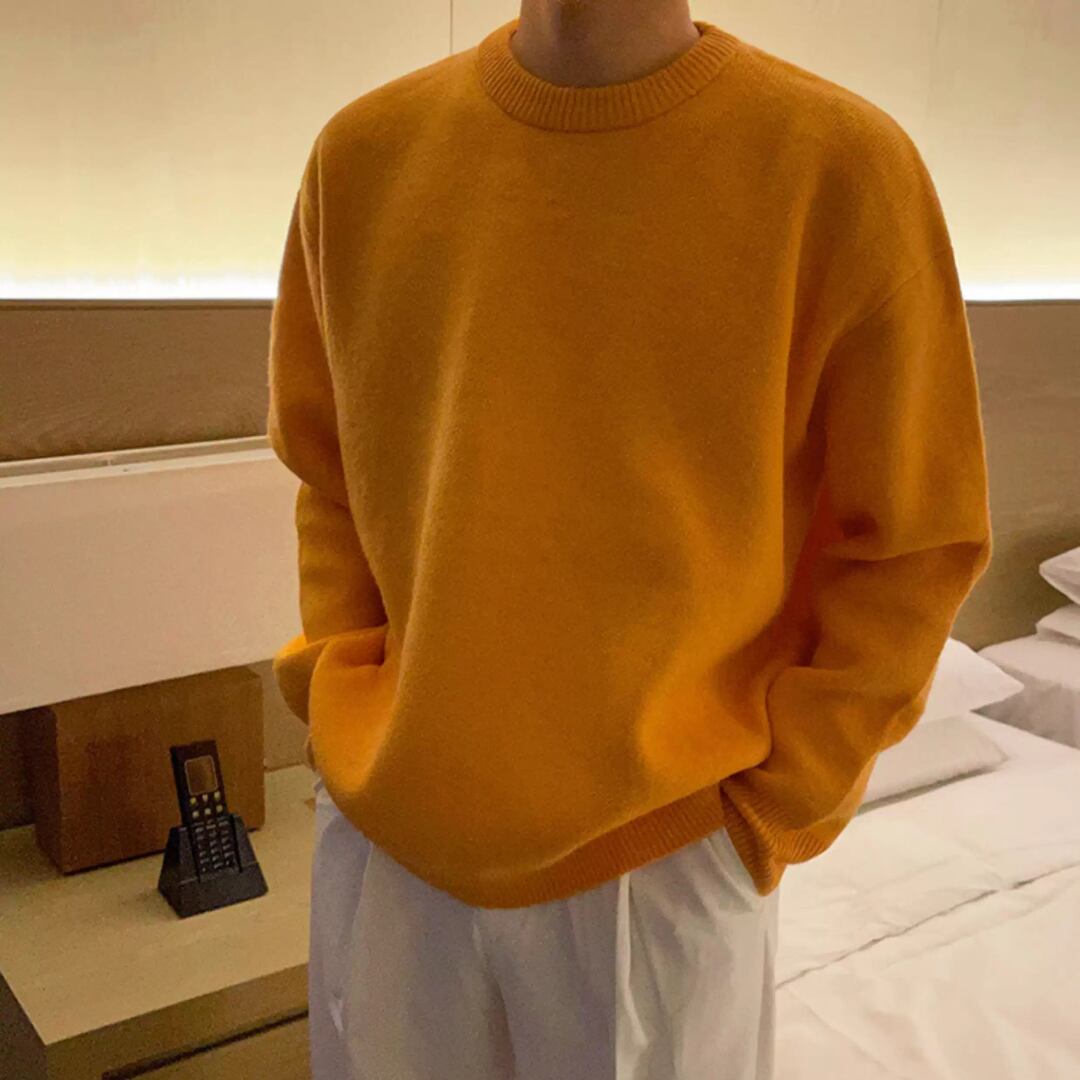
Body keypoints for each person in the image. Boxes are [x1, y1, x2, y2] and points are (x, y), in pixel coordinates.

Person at [266, 2, 993, 1078]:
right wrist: (342, 693)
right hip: (388, 847)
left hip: (662, 862)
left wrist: (771, 806)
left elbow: (914, 543)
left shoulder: (838, 167)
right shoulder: (362, 156)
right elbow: (328, 473)